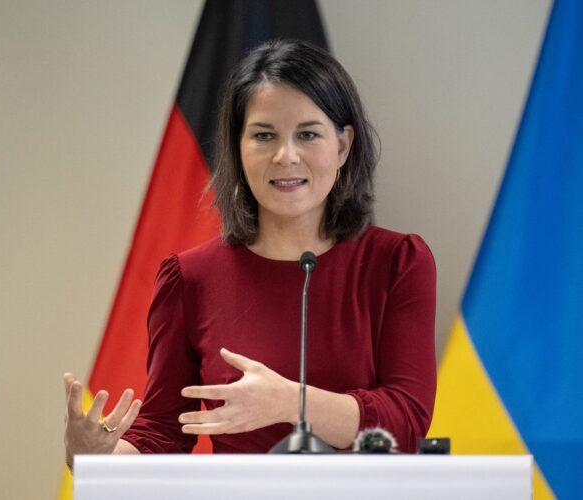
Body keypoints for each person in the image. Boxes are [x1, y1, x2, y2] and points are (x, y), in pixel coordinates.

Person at [64, 39, 436, 465]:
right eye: (263, 136)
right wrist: (93, 454)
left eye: (308, 134)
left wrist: (289, 402)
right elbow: (163, 435)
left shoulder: (397, 262)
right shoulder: (190, 278)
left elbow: (406, 423)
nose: (285, 156)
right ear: (238, 151)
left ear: (344, 146)